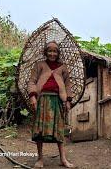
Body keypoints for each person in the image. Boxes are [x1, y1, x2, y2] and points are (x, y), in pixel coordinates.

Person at [28, 40, 73, 168]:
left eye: (54, 51)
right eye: (50, 51)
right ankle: (40, 159)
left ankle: (63, 159)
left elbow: (68, 85)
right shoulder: (39, 65)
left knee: (59, 130)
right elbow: (32, 81)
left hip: (57, 101)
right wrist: (33, 96)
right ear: (46, 52)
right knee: (40, 129)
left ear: (58, 53)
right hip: (42, 100)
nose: (52, 53)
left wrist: (68, 100)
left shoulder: (63, 67)